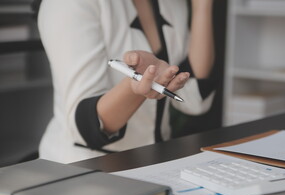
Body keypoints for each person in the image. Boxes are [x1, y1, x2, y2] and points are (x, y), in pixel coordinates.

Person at [37, 0, 216, 163]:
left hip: (154, 163)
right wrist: (134, 88)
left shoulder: (173, 4)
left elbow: (194, 100)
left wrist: (202, 6)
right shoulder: (69, 4)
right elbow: (86, 128)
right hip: (85, 167)